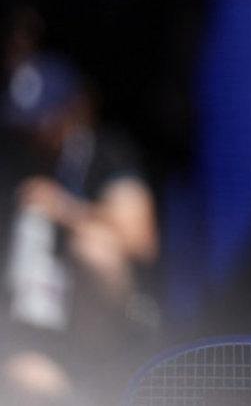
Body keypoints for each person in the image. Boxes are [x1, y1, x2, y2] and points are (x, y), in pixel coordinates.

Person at [0, 52, 160, 403]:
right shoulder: (16, 162)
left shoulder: (105, 152)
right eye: (24, 125)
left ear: (74, 110)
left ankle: (101, 369)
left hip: (108, 324)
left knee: (92, 250)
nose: (35, 134)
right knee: (27, 378)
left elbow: (141, 240)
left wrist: (63, 208)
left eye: (44, 121)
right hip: (35, 326)